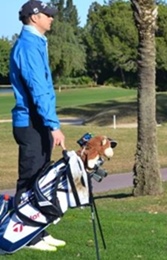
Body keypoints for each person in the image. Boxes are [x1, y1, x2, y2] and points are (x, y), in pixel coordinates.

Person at [9, 0, 66, 252]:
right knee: (30, 180)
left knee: (40, 180)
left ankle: (38, 231)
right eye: (47, 15)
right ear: (34, 18)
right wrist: (54, 125)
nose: (51, 18)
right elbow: (38, 90)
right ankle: (27, 237)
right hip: (31, 123)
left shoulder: (36, 43)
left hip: (38, 123)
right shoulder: (28, 46)